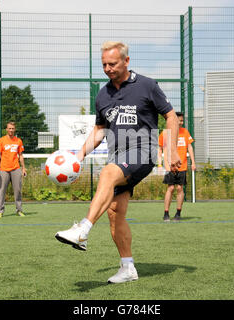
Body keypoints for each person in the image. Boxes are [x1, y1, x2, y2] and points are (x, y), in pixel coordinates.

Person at [55, 41, 181, 284]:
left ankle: (82, 230)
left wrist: (172, 149)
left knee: (108, 174)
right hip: (118, 156)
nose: (108, 68)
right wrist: (79, 156)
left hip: (143, 151)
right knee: (115, 213)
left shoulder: (147, 85)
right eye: (104, 64)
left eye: (112, 63)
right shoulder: (102, 94)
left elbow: (171, 116)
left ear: (126, 61)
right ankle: (128, 268)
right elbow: (100, 130)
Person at [158, 112, 196, 222]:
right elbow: (159, 149)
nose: (181, 122)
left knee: (180, 188)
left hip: (182, 166)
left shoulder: (185, 132)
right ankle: (166, 213)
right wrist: (160, 164)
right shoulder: (166, 133)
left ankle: (178, 213)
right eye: (179, 120)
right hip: (170, 166)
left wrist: (193, 162)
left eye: (182, 120)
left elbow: (190, 148)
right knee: (170, 188)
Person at [0, 121, 27, 218]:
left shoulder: (18, 141)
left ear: (14, 129)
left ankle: (19, 210)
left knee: (17, 190)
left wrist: (23, 168)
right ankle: (0, 211)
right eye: (9, 128)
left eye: (13, 128)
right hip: (4, 169)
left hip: (16, 169)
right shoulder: (1, 140)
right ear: (6, 129)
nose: (11, 130)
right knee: (2, 190)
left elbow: (21, 156)